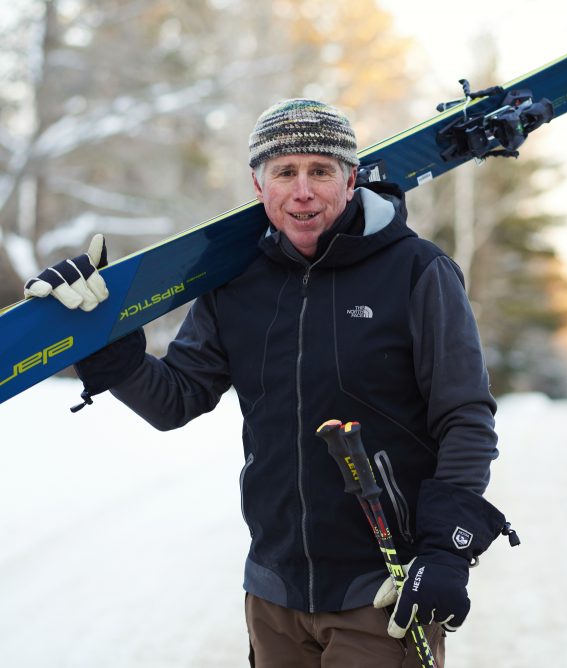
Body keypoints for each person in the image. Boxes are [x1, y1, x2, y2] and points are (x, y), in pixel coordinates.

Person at [25, 99, 514, 667]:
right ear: (259, 186)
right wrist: (103, 342)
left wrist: (446, 551)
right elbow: (176, 398)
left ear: (351, 179)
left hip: (381, 588)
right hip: (273, 590)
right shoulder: (235, 285)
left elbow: (466, 418)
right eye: (285, 172)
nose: (302, 191)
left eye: (320, 171)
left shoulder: (416, 271)